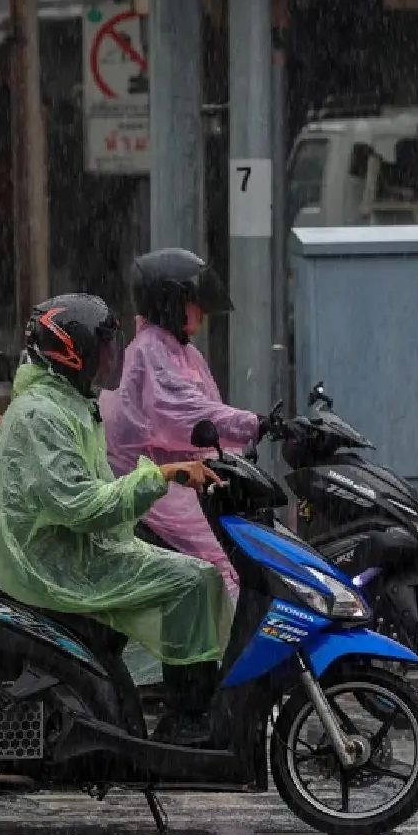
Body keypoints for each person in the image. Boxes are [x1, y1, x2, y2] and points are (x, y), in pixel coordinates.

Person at [0, 294, 233, 747]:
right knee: (194, 581)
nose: (109, 358)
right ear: (72, 351)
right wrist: (161, 476)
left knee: (173, 561)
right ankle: (191, 720)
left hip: (72, 546)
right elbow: (82, 506)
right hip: (55, 563)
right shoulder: (44, 414)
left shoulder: (68, 402)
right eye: (101, 348)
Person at [100, 248, 260, 597]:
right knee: (225, 562)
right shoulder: (150, 352)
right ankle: (229, 648)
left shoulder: (178, 350)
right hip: (158, 488)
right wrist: (255, 425)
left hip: (180, 479)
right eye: (194, 300)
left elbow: (205, 408)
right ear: (171, 301)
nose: (202, 310)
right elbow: (185, 415)